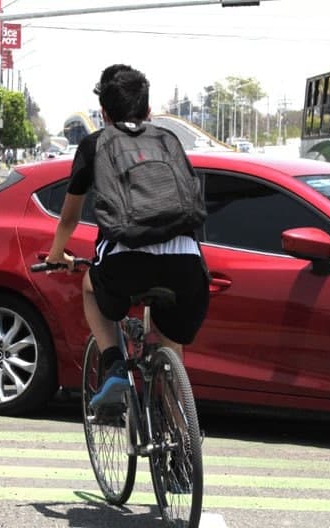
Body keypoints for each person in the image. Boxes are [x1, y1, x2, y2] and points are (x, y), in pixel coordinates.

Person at [45, 64, 209, 412]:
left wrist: (56, 255)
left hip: (125, 259)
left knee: (90, 284)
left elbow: (70, 218)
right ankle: (182, 432)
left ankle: (115, 366)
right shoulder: (169, 140)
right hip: (187, 262)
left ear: (102, 112)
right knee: (171, 343)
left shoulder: (94, 144)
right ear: (149, 111)